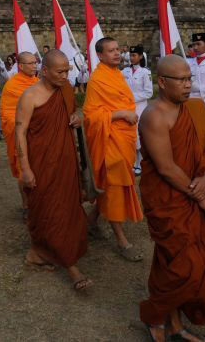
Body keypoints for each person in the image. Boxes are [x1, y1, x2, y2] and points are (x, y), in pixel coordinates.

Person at [138, 54, 205, 342]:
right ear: (162, 82)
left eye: (190, 78)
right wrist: (202, 197)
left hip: (192, 188)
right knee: (186, 267)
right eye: (181, 80)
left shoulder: (194, 109)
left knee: (175, 262)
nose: (188, 85)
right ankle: (154, 316)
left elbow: (204, 151)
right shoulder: (154, 115)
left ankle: (174, 325)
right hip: (168, 199)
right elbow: (165, 168)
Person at [15, 50, 91, 291]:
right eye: (60, 71)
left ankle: (38, 253)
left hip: (66, 160)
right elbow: (20, 132)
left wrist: (77, 117)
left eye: (67, 71)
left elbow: (72, 114)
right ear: (44, 71)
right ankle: (71, 266)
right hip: (42, 162)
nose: (65, 75)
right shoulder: (30, 96)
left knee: (67, 207)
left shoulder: (66, 89)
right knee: (48, 210)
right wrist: (25, 168)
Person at [83, 37, 144, 262]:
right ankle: (121, 240)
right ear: (100, 55)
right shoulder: (97, 79)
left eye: (118, 49)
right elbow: (90, 116)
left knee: (111, 186)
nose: (117, 53)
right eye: (111, 51)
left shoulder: (117, 74)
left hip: (123, 136)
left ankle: (90, 222)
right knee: (115, 185)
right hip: (110, 140)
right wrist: (119, 115)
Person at [0, 52, 40, 216]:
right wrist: (23, 126)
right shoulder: (12, 86)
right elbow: (8, 114)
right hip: (21, 134)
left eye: (35, 62)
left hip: (38, 134)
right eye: (30, 63)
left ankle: (39, 202)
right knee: (23, 171)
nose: (34, 66)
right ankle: (25, 205)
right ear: (21, 66)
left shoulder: (38, 83)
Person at [122, 45, 152, 176]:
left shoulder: (146, 72)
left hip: (139, 108)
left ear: (140, 56)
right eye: (130, 55)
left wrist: (131, 98)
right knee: (129, 135)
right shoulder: (124, 72)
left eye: (134, 55)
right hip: (126, 108)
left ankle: (139, 163)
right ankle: (131, 161)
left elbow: (148, 92)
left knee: (139, 136)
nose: (131, 57)